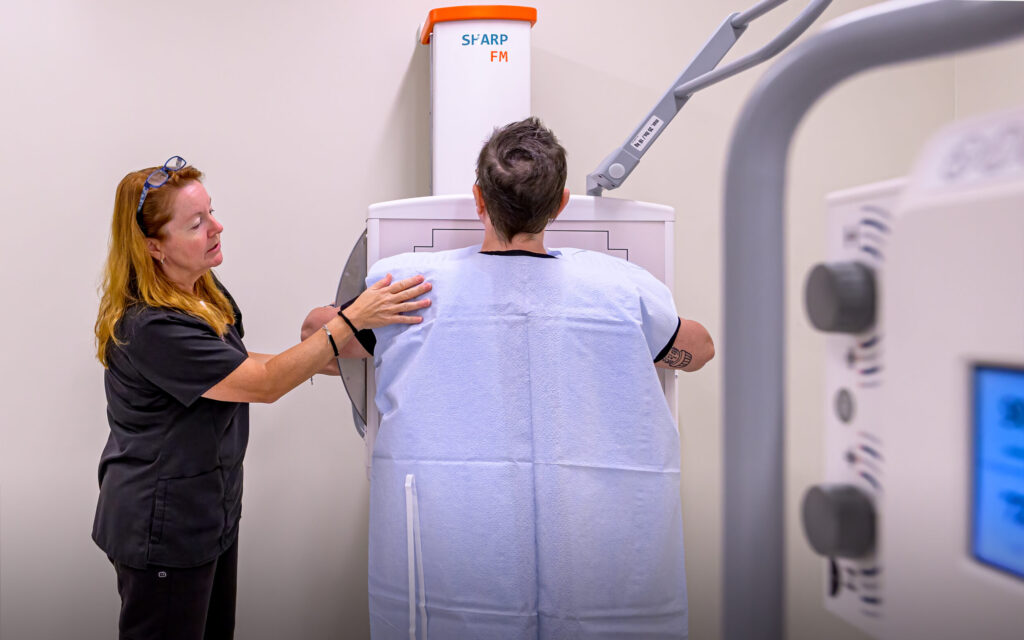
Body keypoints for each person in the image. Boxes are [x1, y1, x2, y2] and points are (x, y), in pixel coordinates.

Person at [304, 117, 713, 639]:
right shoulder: (620, 288)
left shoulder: (409, 285)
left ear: (478, 198)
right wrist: (631, 344)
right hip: (596, 553)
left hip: (457, 553)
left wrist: (359, 311)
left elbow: (316, 334)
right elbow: (698, 350)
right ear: (561, 203)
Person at [92, 156, 431, 640]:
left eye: (211, 212)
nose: (217, 227)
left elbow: (232, 370)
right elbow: (264, 383)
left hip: (210, 512)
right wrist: (351, 319)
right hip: (163, 526)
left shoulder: (201, 290)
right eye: (197, 223)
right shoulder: (153, 326)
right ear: (154, 248)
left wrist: (340, 357)